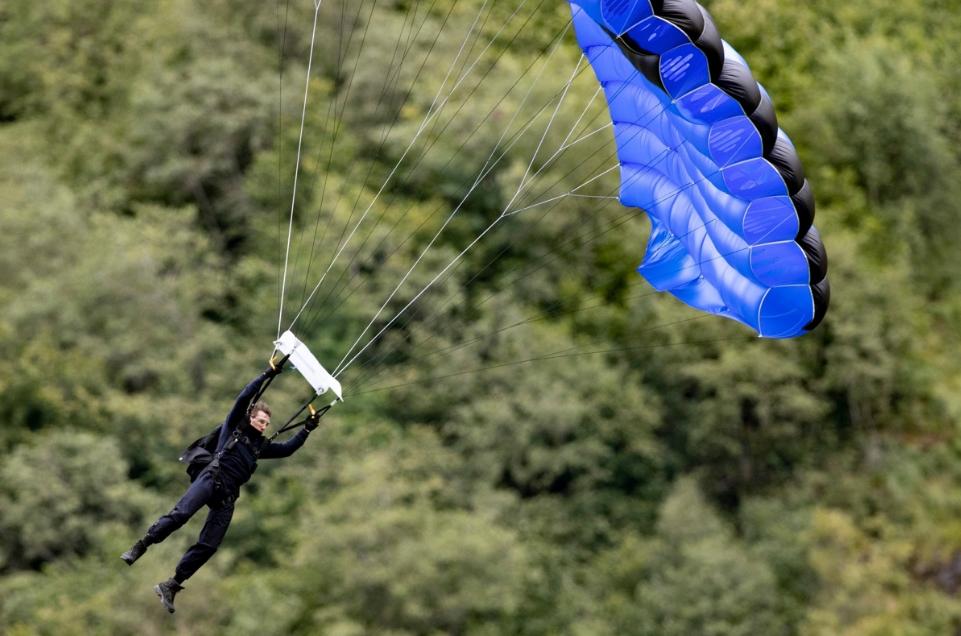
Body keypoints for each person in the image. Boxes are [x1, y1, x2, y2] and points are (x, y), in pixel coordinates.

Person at [120, 362, 321, 613]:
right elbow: (244, 396)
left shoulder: (260, 447)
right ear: (251, 417)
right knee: (180, 515)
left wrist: (307, 429)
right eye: (260, 421)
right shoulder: (234, 426)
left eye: (266, 424)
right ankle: (142, 545)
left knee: (210, 545)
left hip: (226, 497)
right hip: (210, 478)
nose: (263, 426)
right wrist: (267, 375)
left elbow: (288, 449)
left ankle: (172, 584)